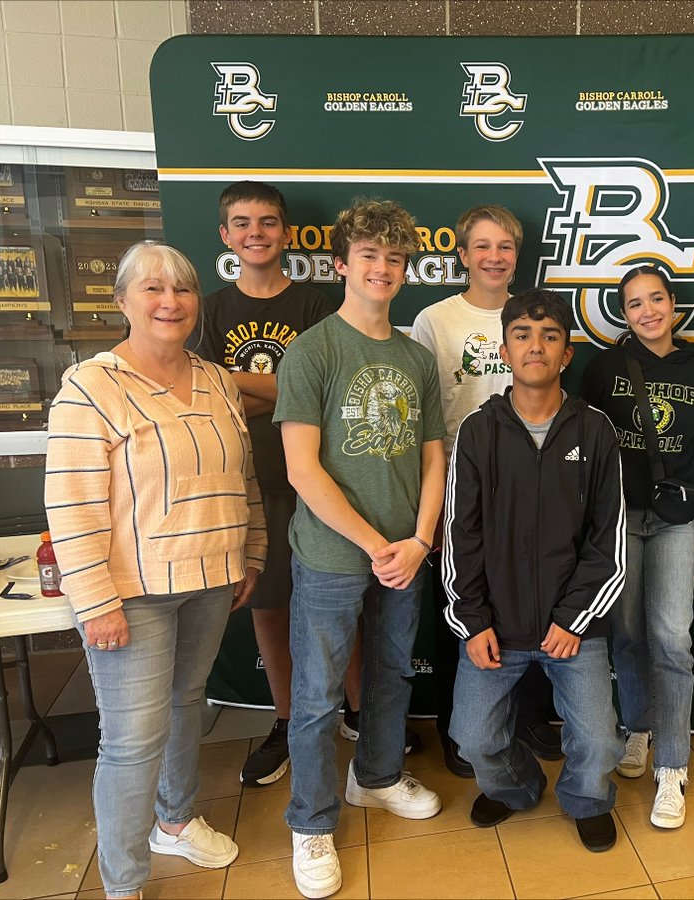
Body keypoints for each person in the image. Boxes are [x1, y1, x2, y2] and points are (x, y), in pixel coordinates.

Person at [45, 241, 267, 900]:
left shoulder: (218, 379)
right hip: (131, 595)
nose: (170, 301)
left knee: (182, 708)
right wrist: (95, 602)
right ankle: (123, 883)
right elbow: (71, 502)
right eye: (152, 288)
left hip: (210, 580)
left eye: (183, 289)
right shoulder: (92, 386)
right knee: (131, 741)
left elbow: (242, 475)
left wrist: (249, 550)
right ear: (122, 301)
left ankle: (174, 821)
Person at [274, 197, 446, 898]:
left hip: (405, 555)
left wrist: (421, 540)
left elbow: (435, 459)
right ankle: (311, 824)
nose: (382, 268)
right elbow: (301, 469)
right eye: (369, 255)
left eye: (394, 258)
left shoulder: (415, 355)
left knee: (391, 675)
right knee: (317, 697)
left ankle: (374, 778)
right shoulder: (313, 351)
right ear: (342, 263)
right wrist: (381, 545)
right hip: (333, 557)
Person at [444, 289, 626, 852]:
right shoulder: (478, 431)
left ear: (567, 354)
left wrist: (575, 619)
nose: (536, 346)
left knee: (598, 742)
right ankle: (515, 787)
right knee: (470, 739)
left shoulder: (596, 431)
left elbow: (609, 541)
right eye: (522, 335)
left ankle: (586, 799)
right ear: (504, 350)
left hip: (573, 627)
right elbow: (458, 537)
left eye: (550, 336)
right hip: (495, 624)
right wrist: (471, 622)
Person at [191, 180, 338, 788]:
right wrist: (277, 388)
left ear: (285, 233)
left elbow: (317, 391)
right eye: (243, 222)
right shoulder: (211, 310)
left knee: (337, 610)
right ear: (226, 236)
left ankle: (352, 713)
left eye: (269, 221)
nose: (257, 232)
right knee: (270, 611)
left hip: (323, 483)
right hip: (249, 488)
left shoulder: (316, 305)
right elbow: (201, 394)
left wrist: (235, 382)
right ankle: (283, 722)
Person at [410, 205, 560, 777]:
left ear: (517, 255)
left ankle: (530, 716)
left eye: (505, 247)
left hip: (533, 483)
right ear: (463, 253)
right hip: (458, 483)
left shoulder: (534, 313)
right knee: (464, 601)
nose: (494, 257)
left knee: (537, 595)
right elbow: (425, 411)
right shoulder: (435, 320)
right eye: (482, 246)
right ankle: (460, 726)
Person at [579, 266, 694, 829]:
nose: (647, 311)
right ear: (624, 313)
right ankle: (637, 726)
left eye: (656, 299)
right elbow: (585, 447)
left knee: (672, 639)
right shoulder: (603, 368)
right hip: (617, 519)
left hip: (674, 521)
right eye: (634, 304)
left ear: (672, 304)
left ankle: (672, 768)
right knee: (629, 633)